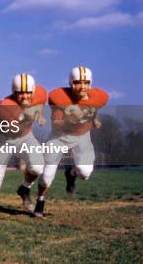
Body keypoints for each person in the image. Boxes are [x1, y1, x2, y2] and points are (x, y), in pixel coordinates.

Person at [35, 66, 108, 217]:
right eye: (77, 82)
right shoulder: (60, 97)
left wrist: (95, 120)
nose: (82, 86)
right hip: (59, 137)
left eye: (85, 82)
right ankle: (40, 201)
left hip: (82, 137)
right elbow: (56, 122)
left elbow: (93, 108)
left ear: (90, 83)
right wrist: (70, 120)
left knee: (85, 172)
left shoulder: (98, 96)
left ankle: (71, 173)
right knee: (47, 176)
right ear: (70, 82)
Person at [0, 73, 46, 219]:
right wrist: (28, 116)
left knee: (37, 167)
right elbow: (13, 129)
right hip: (4, 141)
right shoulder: (5, 107)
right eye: (20, 93)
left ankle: (24, 189)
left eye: (28, 92)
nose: (25, 96)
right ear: (14, 92)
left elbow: (40, 101)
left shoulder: (39, 92)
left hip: (26, 137)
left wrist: (39, 113)